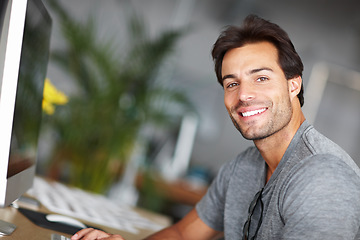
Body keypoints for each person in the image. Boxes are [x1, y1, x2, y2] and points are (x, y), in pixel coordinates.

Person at [71, 14, 360, 240]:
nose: (244, 95)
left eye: (260, 78)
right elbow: (183, 234)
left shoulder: (325, 176)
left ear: (293, 84)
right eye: (232, 83)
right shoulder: (242, 168)